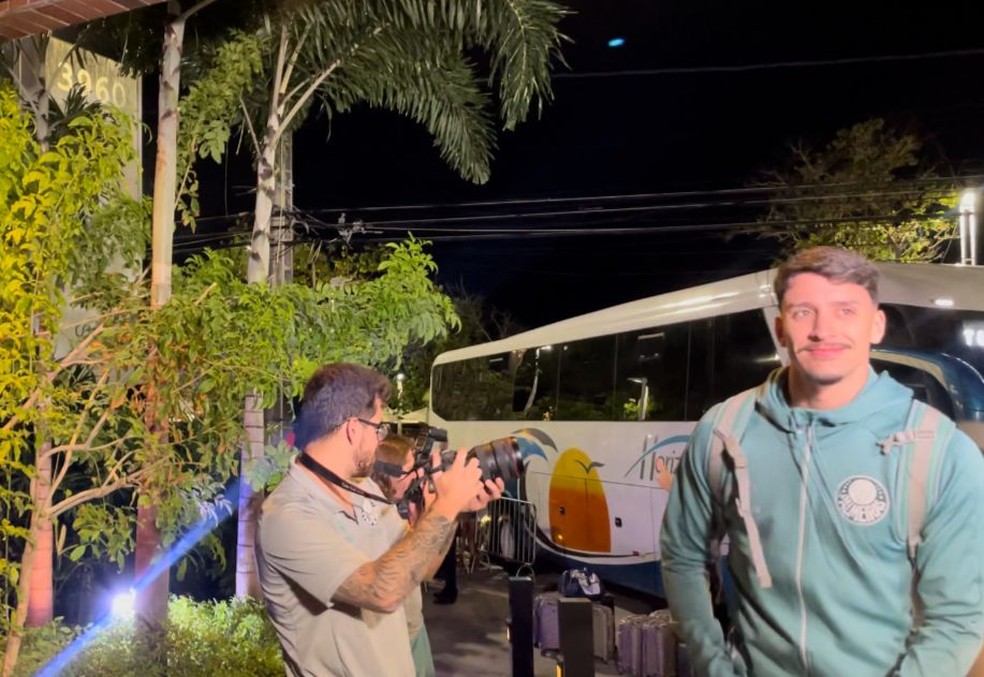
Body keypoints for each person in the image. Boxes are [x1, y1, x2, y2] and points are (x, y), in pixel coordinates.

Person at [660, 246, 984, 676]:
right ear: (780, 328)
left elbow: (958, 616)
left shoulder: (939, 450)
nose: (822, 330)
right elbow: (682, 553)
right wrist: (712, 663)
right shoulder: (723, 431)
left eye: (845, 310)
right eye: (803, 312)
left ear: (876, 325)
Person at [256, 363, 503, 676]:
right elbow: (381, 592)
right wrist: (447, 504)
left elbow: (421, 570)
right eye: (378, 428)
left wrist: (451, 510)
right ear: (353, 428)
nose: (379, 439)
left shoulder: (363, 487)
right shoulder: (288, 515)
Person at [371, 435, 436, 677]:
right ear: (389, 472)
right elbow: (422, 564)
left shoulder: (393, 511)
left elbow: (426, 567)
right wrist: (439, 511)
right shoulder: (375, 517)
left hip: (415, 629)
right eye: (410, 470)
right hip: (396, 643)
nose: (418, 477)